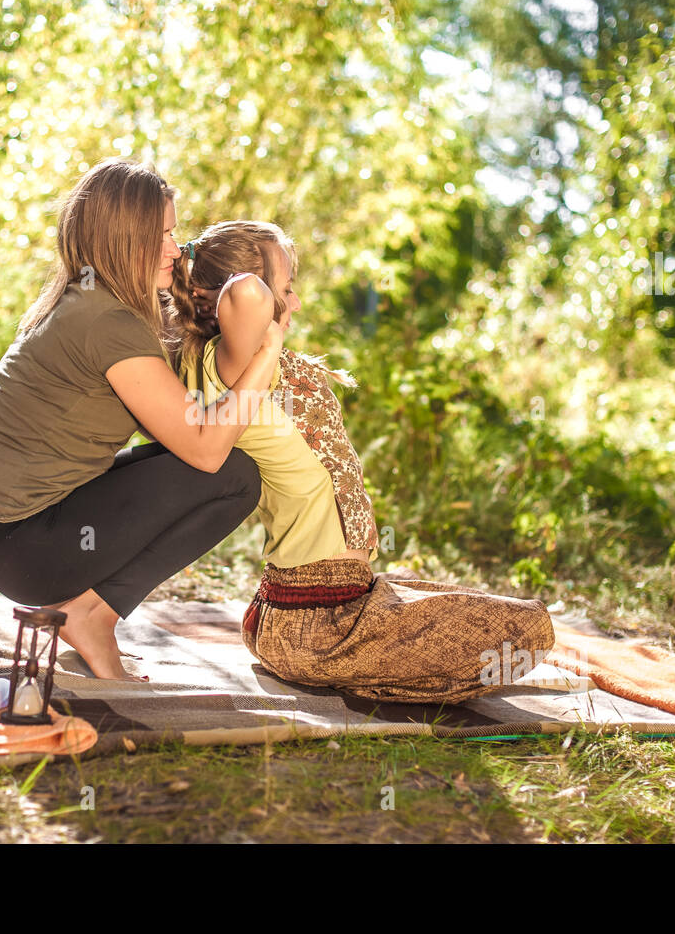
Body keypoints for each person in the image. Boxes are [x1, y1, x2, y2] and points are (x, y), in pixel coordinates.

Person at [168, 220, 555, 703]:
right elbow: (245, 291)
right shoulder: (234, 362)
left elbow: (246, 293)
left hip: (331, 601)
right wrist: (221, 273)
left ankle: (371, 663)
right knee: (530, 627)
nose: (296, 302)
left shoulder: (239, 361)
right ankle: (362, 672)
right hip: (316, 623)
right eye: (287, 288)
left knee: (469, 607)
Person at [0, 160, 285, 682]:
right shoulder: (109, 323)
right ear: (122, 240)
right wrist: (268, 350)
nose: (175, 249)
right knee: (233, 476)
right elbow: (204, 450)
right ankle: (89, 614)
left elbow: (171, 428)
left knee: (214, 468)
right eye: (161, 235)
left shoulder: (90, 300)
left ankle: (89, 615)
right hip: (23, 545)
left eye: (174, 234)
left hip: (4, 532)